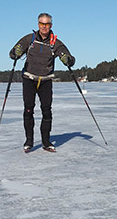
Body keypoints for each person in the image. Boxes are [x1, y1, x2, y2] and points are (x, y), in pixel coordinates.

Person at [9, 13, 75, 152]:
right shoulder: (29, 39)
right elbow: (13, 53)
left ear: (51, 25)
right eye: (41, 24)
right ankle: (29, 141)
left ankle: (46, 142)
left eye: (47, 24)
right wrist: (16, 52)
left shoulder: (55, 43)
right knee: (28, 109)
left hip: (45, 80)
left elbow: (69, 58)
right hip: (29, 79)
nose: (44, 27)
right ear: (38, 24)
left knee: (47, 111)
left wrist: (67, 59)